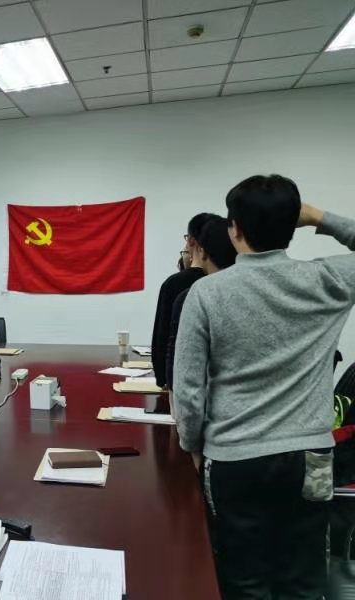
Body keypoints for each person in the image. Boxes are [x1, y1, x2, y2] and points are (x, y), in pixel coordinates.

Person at [173, 174, 355, 599]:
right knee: (304, 581)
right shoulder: (328, 279)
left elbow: (189, 389)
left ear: (234, 229)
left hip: (234, 458)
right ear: (293, 226)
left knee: (244, 582)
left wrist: (193, 446)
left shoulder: (206, 293)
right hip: (310, 456)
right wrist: (319, 217)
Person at [165, 216, 237, 396]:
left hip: (203, 400)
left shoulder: (192, 295)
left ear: (201, 251)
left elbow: (179, 368)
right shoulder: (250, 291)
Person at [151, 212, 215, 388]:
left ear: (192, 242)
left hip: (180, 380)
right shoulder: (223, 283)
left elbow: (162, 338)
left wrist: (163, 380)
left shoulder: (174, 284)